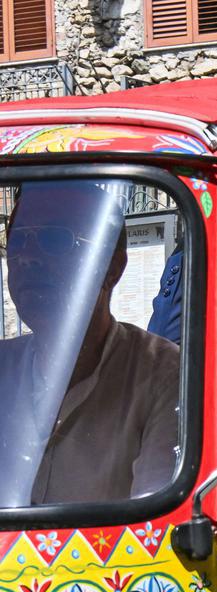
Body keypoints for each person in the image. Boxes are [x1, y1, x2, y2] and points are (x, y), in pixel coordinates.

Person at [0, 181, 180, 504]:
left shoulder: (165, 374)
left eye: (53, 239)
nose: (27, 257)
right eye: (17, 241)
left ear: (112, 267)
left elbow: (153, 532)